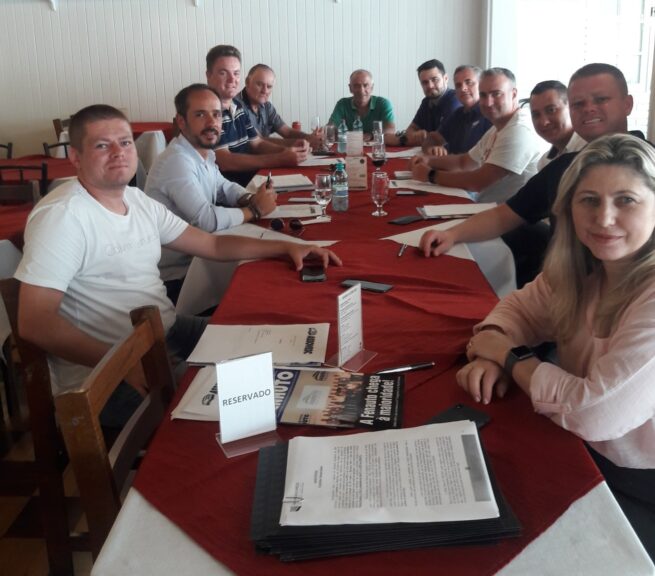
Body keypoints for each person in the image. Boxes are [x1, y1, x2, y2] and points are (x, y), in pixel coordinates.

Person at [14, 104, 341, 425]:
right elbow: (35, 323)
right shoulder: (63, 217)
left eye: (125, 142)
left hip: (164, 332)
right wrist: (121, 363)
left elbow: (211, 244)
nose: (118, 153)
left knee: (284, 347)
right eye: (102, 145)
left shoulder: (135, 200)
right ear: (75, 157)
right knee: (257, 403)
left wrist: (287, 246)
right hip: (106, 376)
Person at [458, 133, 655, 560]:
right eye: (589, 200)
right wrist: (493, 349)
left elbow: (596, 413)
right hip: (580, 446)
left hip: (639, 480)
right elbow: (520, 309)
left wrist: (509, 357)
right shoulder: (582, 267)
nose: (604, 218)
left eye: (626, 200)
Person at [419, 64, 638, 282]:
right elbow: (508, 214)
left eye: (601, 99)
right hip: (569, 282)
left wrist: (430, 175)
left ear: (627, 104)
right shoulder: (564, 166)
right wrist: (451, 234)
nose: (588, 109)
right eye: (579, 103)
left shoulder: (647, 163)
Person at [145, 84, 277, 302]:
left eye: (216, 114)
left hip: (200, 261)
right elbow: (206, 220)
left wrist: (250, 197)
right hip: (176, 279)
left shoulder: (201, 153)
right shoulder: (176, 161)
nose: (211, 122)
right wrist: (255, 210)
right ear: (181, 121)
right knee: (262, 284)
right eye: (200, 115)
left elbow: (223, 186)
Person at [410, 67, 545, 203]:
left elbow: (478, 182)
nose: (488, 102)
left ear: (514, 94)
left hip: (503, 212)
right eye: (483, 95)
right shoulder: (499, 126)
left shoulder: (519, 129)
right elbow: (464, 162)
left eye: (496, 94)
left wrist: (430, 175)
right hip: (484, 205)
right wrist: (427, 160)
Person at [205, 45, 309, 186]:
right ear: (208, 75)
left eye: (236, 73)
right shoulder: (208, 112)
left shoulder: (237, 105)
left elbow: (257, 144)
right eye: (223, 73)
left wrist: (290, 151)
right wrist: (280, 158)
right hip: (231, 191)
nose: (232, 80)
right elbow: (225, 161)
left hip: (254, 181)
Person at [240, 64, 322, 149]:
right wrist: (304, 142)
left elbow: (287, 132)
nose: (265, 91)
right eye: (259, 84)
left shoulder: (267, 106)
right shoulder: (237, 107)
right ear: (247, 82)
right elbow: (258, 141)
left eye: (269, 86)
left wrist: (309, 137)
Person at [386, 59, 461, 147]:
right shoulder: (426, 101)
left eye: (435, 79)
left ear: (446, 78)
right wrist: (413, 137)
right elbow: (410, 130)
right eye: (425, 82)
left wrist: (405, 139)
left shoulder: (455, 100)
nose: (430, 86)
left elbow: (440, 140)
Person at [422, 65, 492, 156]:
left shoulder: (490, 115)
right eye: (458, 85)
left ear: (482, 85)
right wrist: (432, 148)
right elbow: (433, 138)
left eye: (469, 82)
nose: (463, 88)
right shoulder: (458, 114)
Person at [528, 80, 586, 169]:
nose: (544, 122)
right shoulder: (545, 162)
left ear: (571, 107)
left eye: (551, 110)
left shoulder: (590, 150)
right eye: (536, 115)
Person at [328, 69, 395, 137]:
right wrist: (324, 131)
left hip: (375, 144)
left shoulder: (383, 104)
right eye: (356, 86)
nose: (361, 90)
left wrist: (371, 135)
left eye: (365, 85)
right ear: (350, 88)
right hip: (350, 144)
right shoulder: (342, 104)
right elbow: (331, 127)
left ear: (372, 87)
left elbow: (390, 130)